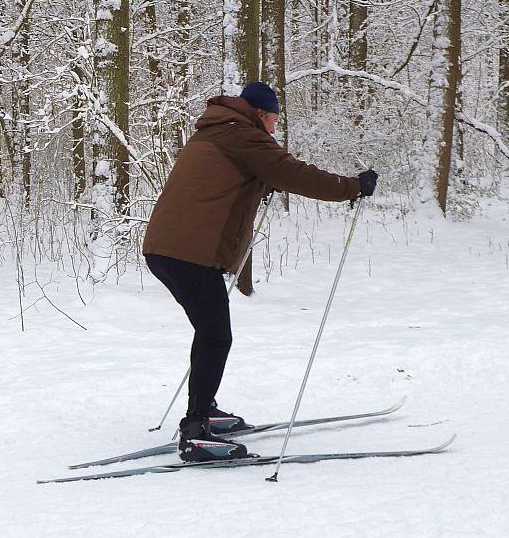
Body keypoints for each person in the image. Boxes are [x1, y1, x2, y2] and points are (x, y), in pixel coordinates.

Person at [142, 82, 377, 461]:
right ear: (260, 114)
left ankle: (205, 412)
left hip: (167, 249)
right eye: (272, 121)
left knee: (210, 332)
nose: (272, 130)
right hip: (188, 253)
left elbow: (229, 181)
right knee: (216, 335)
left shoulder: (214, 131)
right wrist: (352, 187)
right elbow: (293, 173)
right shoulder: (244, 136)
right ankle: (197, 429)